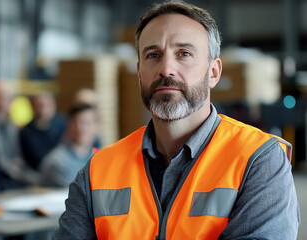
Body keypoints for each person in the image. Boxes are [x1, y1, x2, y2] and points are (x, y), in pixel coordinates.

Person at [53, 1, 300, 240]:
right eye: (153, 55)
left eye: (184, 53)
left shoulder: (258, 160)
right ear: (140, 73)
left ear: (213, 72)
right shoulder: (97, 171)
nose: (166, 68)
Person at [0, 80, 39, 184]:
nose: (4, 100)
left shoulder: (15, 125)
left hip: (18, 175)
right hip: (0, 179)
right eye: (0, 96)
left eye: (8, 96)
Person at [40, 104, 99, 187]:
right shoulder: (56, 162)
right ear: (68, 125)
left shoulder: (101, 159)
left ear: (96, 127)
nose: (82, 128)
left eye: (87, 123)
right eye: (77, 123)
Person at [19, 91, 66, 170]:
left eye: (48, 105)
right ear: (32, 106)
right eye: (40, 105)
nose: (44, 109)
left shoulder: (63, 126)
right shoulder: (26, 132)